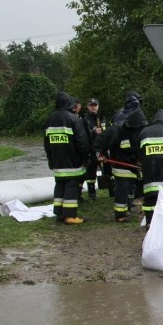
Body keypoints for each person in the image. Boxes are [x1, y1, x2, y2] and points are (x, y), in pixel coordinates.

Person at [44, 91, 91, 225]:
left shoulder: (49, 119)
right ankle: (70, 216)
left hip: (57, 162)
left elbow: (46, 144)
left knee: (60, 185)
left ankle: (59, 213)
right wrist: (85, 157)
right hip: (73, 162)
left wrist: (50, 160)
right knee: (72, 186)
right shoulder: (73, 119)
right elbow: (82, 142)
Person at [95, 108, 147, 222]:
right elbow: (100, 141)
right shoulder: (117, 130)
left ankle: (127, 208)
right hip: (121, 167)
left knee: (131, 190)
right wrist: (99, 154)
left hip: (134, 167)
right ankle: (120, 215)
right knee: (122, 190)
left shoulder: (141, 131)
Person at [81, 98, 107, 199]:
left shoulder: (102, 117)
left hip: (102, 148)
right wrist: (94, 132)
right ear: (88, 106)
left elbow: (107, 129)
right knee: (91, 171)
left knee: (107, 169)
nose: (93, 107)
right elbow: (84, 134)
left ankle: (110, 190)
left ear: (98, 106)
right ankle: (92, 194)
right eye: (91, 105)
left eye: (95, 105)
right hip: (91, 148)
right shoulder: (85, 118)